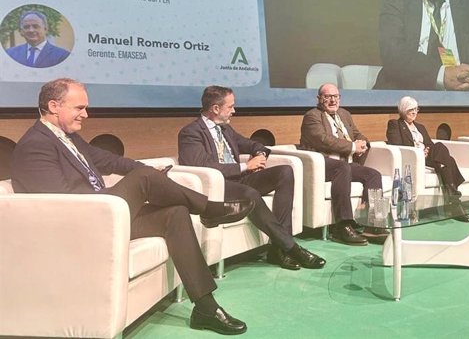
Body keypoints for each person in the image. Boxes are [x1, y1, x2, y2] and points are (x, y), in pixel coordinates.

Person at [11, 78, 253, 335]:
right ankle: (209, 209)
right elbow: (60, 207)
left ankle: (205, 307)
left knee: (174, 213)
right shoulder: (35, 145)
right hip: (84, 222)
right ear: (53, 105)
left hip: (105, 214)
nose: (86, 114)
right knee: (144, 179)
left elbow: (110, 161)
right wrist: (144, 178)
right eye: (79, 108)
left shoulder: (68, 138)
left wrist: (151, 172)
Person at [178, 85, 325, 270]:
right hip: (218, 186)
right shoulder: (191, 133)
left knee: (285, 172)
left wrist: (260, 153)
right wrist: (245, 166)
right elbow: (202, 166)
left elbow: (250, 143)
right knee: (250, 193)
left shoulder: (225, 129)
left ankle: (277, 249)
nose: (234, 110)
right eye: (230, 106)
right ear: (215, 108)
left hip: (238, 180)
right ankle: (291, 247)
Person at [299, 83, 384, 245]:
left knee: (373, 175)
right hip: (322, 164)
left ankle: (374, 223)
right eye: (327, 96)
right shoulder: (312, 116)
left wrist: (363, 143)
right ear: (319, 99)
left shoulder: (344, 114)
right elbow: (323, 141)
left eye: (336, 96)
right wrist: (353, 147)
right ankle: (342, 226)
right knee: (342, 168)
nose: (332, 100)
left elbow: (357, 134)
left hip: (345, 163)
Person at [386, 96, 469, 222]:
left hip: (428, 157)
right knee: (450, 161)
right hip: (413, 159)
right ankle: (454, 200)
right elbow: (397, 145)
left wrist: (427, 149)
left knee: (439, 147)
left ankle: (452, 195)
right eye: (411, 110)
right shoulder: (395, 124)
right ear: (403, 110)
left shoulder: (420, 127)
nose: (414, 112)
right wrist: (419, 152)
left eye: (416, 109)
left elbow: (430, 144)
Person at [5, 11, 70, 68]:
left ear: (46, 29)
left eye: (35, 26)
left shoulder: (62, 55)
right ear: (22, 31)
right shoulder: (10, 53)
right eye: (26, 27)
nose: (31, 30)